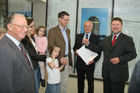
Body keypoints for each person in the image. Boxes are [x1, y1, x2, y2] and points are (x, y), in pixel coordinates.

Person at [86, 17, 137, 93]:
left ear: (121, 26)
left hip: (119, 76)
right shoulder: (106, 39)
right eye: (113, 24)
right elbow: (97, 49)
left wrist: (119, 59)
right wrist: (88, 44)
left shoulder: (127, 39)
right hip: (106, 74)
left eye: (117, 25)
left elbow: (133, 54)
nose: (115, 26)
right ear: (111, 26)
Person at [0, 14, 35, 93]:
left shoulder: (20, 44)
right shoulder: (3, 50)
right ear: (9, 26)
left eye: (26, 27)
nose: (25, 30)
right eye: (21, 26)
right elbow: (5, 86)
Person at [48, 11, 72, 93]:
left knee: (64, 83)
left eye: (68, 20)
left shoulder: (68, 30)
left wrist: (69, 61)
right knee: (55, 83)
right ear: (59, 19)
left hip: (66, 59)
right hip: (56, 60)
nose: (67, 22)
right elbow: (50, 47)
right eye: (65, 20)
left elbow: (68, 46)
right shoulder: (52, 31)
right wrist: (59, 58)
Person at [73, 21, 101, 93]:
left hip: (90, 64)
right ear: (83, 27)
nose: (87, 28)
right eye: (86, 26)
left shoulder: (96, 37)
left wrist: (93, 61)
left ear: (92, 27)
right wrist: (76, 51)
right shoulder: (78, 36)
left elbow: (99, 52)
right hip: (79, 64)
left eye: (89, 26)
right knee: (80, 83)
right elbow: (74, 47)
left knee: (90, 83)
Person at [21, 18, 46, 93]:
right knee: (34, 88)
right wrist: (46, 57)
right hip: (31, 67)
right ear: (25, 27)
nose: (34, 28)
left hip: (37, 65)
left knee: (37, 86)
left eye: (34, 26)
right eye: (31, 26)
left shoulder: (32, 37)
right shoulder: (24, 40)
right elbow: (32, 55)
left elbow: (36, 51)